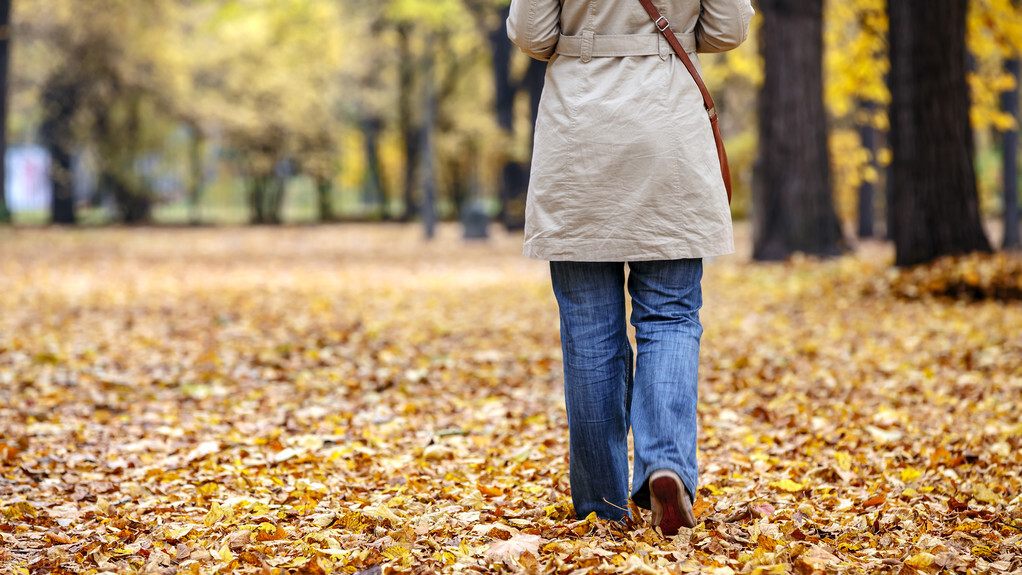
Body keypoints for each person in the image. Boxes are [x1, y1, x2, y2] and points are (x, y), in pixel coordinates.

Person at [506, 0, 753, 535]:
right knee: (670, 317)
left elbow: (530, 33)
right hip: (668, 130)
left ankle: (600, 505)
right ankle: (666, 465)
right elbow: (730, 29)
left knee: (589, 328)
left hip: (581, 134)